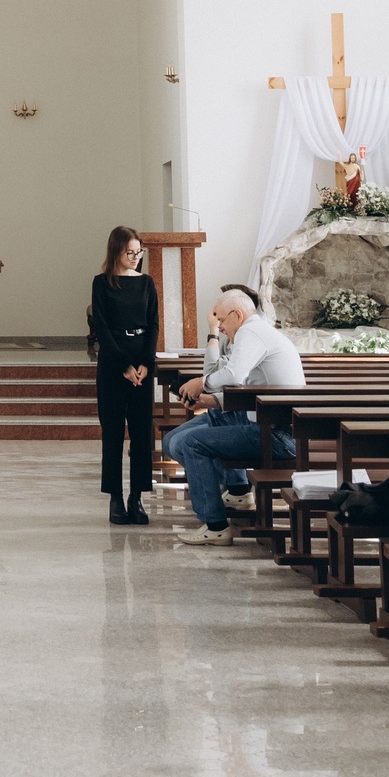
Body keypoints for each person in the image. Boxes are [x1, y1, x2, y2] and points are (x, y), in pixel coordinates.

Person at [168, 285, 305, 545]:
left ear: (238, 315)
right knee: (181, 440)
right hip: (267, 423)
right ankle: (228, 497)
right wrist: (213, 399)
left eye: (220, 319)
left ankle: (216, 525)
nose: (218, 326)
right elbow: (250, 387)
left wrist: (201, 382)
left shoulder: (251, 332)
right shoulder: (257, 330)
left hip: (278, 435)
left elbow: (233, 375)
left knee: (192, 443)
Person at [89, 226, 160, 526]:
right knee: (114, 432)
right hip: (113, 363)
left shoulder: (147, 283)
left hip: (141, 360)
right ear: (116, 252)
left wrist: (146, 363)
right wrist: (124, 365)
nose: (135, 257)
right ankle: (116, 499)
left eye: (138, 252)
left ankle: (137, 498)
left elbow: (154, 324)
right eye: (129, 252)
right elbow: (102, 328)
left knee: (142, 433)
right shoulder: (102, 283)